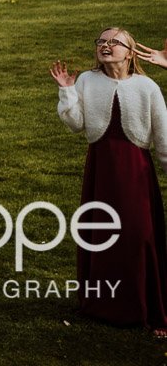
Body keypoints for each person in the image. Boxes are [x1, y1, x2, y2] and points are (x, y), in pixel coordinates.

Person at [52, 27, 167, 337]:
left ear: (129, 52)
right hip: (102, 168)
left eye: (114, 42)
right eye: (101, 41)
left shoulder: (147, 87)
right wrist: (67, 90)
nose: (106, 45)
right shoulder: (88, 81)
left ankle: (149, 308)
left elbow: (163, 136)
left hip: (135, 170)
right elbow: (76, 124)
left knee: (138, 233)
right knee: (102, 232)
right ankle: (103, 306)